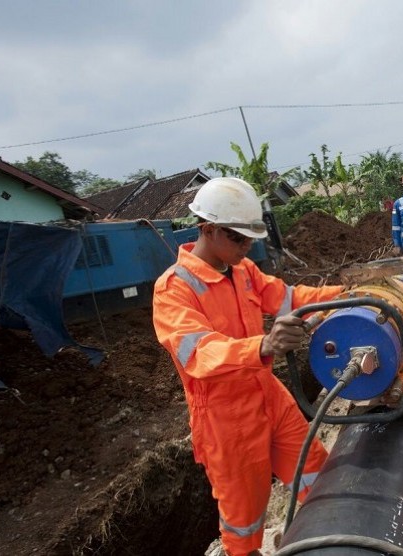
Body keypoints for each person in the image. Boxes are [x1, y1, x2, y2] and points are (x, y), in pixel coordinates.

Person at [152, 177, 344, 556]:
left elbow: (290, 298)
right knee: (244, 519)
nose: (246, 247)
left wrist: (347, 294)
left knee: (317, 475)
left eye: (249, 239)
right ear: (207, 228)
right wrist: (265, 344)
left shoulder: (242, 272)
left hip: (269, 397)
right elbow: (198, 354)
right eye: (238, 239)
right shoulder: (174, 290)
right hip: (227, 422)